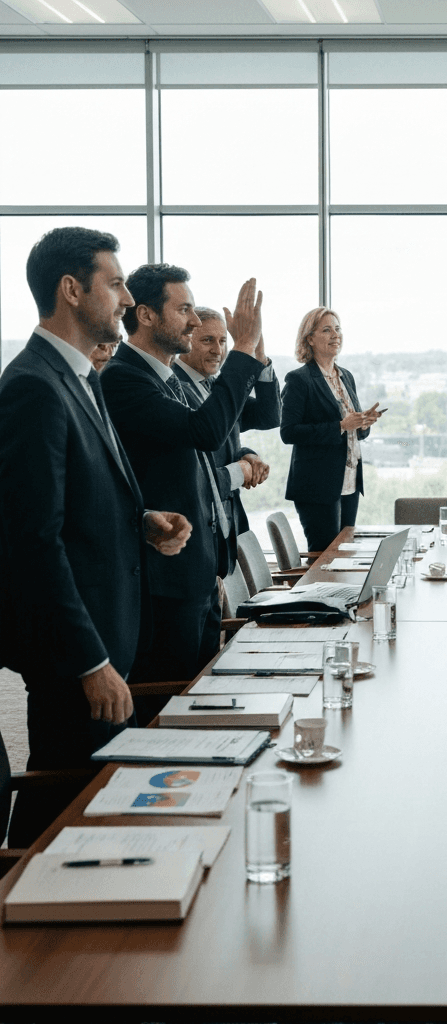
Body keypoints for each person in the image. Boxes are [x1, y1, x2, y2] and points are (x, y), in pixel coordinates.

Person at [0, 227, 191, 845]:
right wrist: (90, 662)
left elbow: (76, 501)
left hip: (109, 640)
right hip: (76, 656)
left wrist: (142, 521)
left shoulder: (80, 377)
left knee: (90, 813)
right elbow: (32, 542)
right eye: (114, 284)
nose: (127, 298)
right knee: (62, 817)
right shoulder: (33, 385)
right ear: (71, 290)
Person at [101, 266, 264, 684]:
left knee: (201, 694)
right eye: (185, 309)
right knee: (172, 708)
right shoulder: (123, 378)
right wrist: (244, 347)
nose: (194, 321)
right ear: (146, 315)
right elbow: (205, 432)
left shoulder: (169, 377)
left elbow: (204, 447)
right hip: (165, 581)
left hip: (198, 572)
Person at [173, 307, 281, 573]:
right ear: (185, 340)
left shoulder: (216, 386)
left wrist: (259, 357)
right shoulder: (173, 387)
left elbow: (269, 416)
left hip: (226, 527)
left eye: (223, 341)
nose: (218, 350)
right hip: (195, 532)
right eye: (207, 340)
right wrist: (237, 471)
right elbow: (192, 462)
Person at [281, 307, 382, 552]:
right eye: (326, 329)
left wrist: (363, 424)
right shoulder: (299, 380)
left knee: (344, 555)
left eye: (337, 329)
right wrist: (339, 426)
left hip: (349, 483)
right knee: (324, 560)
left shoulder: (346, 376)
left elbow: (354, 431)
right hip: (317, 486)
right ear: (310, 339)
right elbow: (289, 432)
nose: (335, 334)